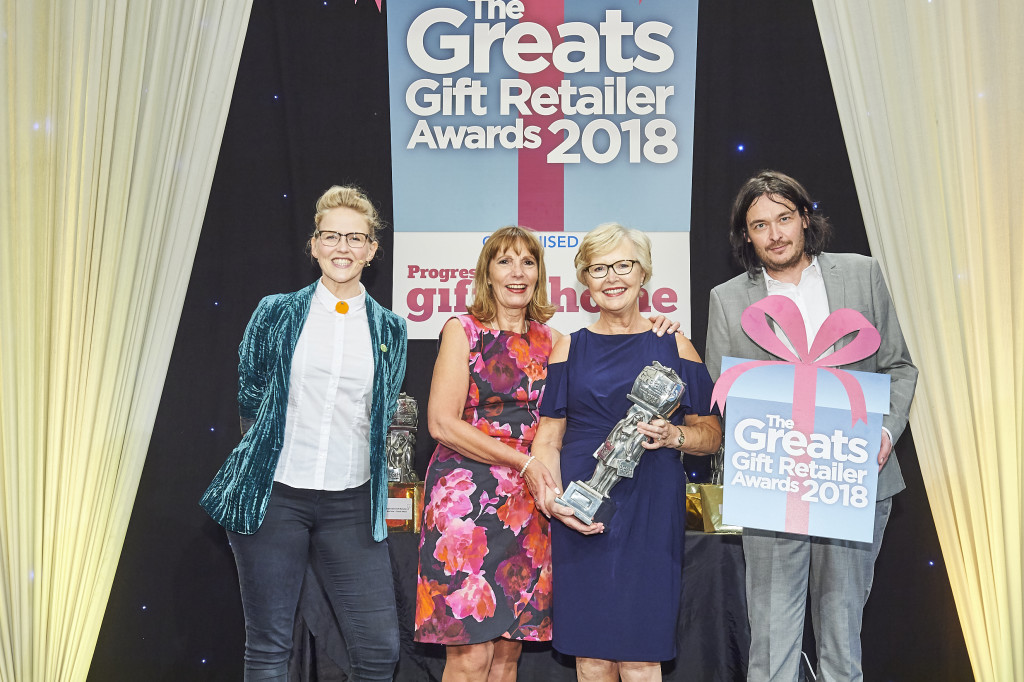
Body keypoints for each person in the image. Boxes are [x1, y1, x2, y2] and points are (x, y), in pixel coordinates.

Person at [414, 225, 679, 682]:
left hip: (531, 503)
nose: (517, 272)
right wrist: (525, 462)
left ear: (541, 273)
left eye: (528, 261)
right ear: (487, 273)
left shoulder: (556, 342)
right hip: (466, 503)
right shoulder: (463, 330)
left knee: (507, 655)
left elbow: (594, 402)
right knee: (470, 655)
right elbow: (441, 423)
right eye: (504, 261)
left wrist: (658, 327)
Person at [704, 170, 918, 682]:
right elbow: (722, 394)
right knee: (773, 641)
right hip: (775, 488)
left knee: (843, 638)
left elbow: (899, 366)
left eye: (783, 218)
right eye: (760, 225)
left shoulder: (861, 274)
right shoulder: (727, 299)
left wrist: (883, 434)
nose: (775, 233)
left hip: (854, 478)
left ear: (804, 218)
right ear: (746, 236)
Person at [200, 185, 407, 682]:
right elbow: (249, 397)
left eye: (355, 238)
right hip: (275, 496)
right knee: (270, 647)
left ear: (372, 250)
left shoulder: (391, 329)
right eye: (331, 236)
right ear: (313, 244)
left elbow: (382, 417)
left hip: (351, 504)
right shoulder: (275, 311)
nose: (343, 247)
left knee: (380, 651)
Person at [532, 223, 722, 682]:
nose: (612, 277)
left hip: (652, 506)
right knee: (591, 655)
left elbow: (712, 433)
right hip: (583, 503)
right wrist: (550, 500)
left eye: (623, 265)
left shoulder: (673, 343)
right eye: (598, 268)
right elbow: (547, 438)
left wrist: (676, 436)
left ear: (644, 273)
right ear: (584, 280)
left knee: (641, 654)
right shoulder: (568, 347)